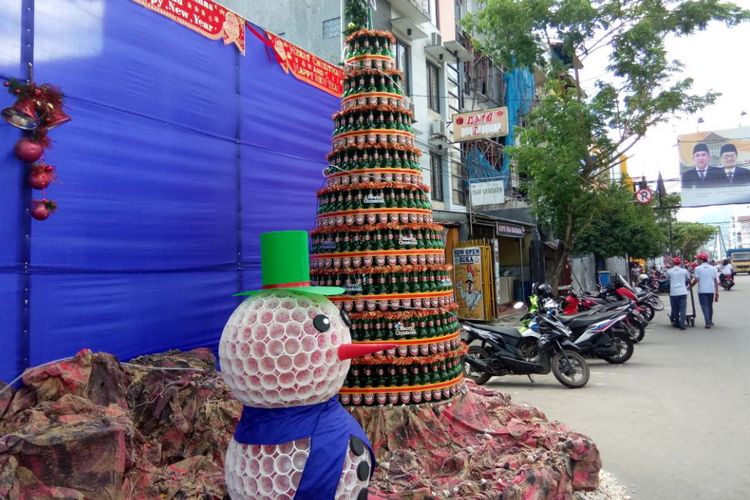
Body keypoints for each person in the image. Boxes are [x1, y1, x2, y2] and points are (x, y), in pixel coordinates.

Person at [691, 252, 719, 328]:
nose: (697, 261)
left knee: (704, 306)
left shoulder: (697, 268)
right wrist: (717, 292)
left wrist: (690, 286)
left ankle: (707, 322)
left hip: (702, 291)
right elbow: (716, 281)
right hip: (711, 290)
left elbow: (696, 280)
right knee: (710, 306)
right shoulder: (713, 268)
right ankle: (710, 320)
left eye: (698, 259)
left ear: (701, 260)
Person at [666, 256, 690, 330]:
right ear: (680, 263)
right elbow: (688, 279)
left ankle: (676, 322)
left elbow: (667, 279)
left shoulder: (669, 271)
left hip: (673, 292)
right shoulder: (684, 271)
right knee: (683, 309)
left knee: (675, 308)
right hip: (683, 291)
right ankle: (682, 325)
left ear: (673, 263)